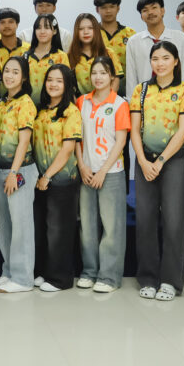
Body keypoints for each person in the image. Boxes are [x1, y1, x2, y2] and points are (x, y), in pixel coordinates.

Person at [129, 41, 184, 301]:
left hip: (173, 163)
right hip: (144, 162)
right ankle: (147, 278)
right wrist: (143, 161)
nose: (160, 63)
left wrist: (160, 161)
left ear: (176, 61)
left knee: (174, 222)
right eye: (155, 58)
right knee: (145, 220)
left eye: (166, 58)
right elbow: (135, 129)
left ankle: (170, 281)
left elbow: (183, 130)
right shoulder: (141, 90)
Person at [74, 56, 129, 293]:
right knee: (87, 226)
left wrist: (103, 171)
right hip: (86, 172)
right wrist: (82, 166)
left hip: (111, 173)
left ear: (112, 77)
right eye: (94, 73)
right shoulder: (81, 102)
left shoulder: (119, 104)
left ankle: (109, 276)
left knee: (112, 227)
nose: (98, 77)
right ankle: (89, 272)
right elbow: (76, 137)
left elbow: (121, 141)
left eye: (103, 73)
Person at [0, 56, 37, 294]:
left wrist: (14, 172)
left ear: (24, 77)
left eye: (15, 72)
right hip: (0, 169)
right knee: (4, 224)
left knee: (21, 225)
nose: (9, 75)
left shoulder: (25, 103)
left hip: (20, 170)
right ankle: (8, 271)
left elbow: (24, 141)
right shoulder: (2, 103)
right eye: (6, 71)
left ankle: (23, 278)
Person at [32, 64, 82, 292]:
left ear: (67, 85)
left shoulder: (71, 111)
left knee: (59, 231)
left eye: (59, 81)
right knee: (42, 229)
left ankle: (60, 279)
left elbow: (68, 149)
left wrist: (48, 175)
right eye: (50, 80)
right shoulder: (41, 110)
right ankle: (43, 271)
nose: (53, 84)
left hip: (61, 179)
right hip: (40, 179)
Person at [124, 0, 184, 96]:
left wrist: (183, 97)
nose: (150, 12)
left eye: (154, 7)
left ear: (162, 11)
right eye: (145, 10)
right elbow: (131, 76)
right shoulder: (133, 41)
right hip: (145, 97)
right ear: (141, 16)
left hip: (175, 97)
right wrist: (132, 101)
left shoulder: (181, 38)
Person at [69, 13, 123, 95]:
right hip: (79, 101)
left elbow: (116, 81)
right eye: (81, 29)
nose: (86, 32)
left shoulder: (109, 53)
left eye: (90, 28)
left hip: (106, 100)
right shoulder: (69, 56)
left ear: (96, 30)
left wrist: (104, 100)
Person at [94, 0, 135, 97]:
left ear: (118, 8)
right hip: (96, 87)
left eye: (112, 6)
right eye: (104, 7)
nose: (108, 11)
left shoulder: (130, 34)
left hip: (126, 88)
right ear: (97, 10)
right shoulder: (92, 33)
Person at [25, 13, 69, 104]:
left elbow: (67, 85)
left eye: (47, 27)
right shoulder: (26, 56)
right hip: (27, 107)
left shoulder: (61, 56)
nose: (42, 31)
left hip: (52, 107)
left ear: (55, 31)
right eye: (38, 28)